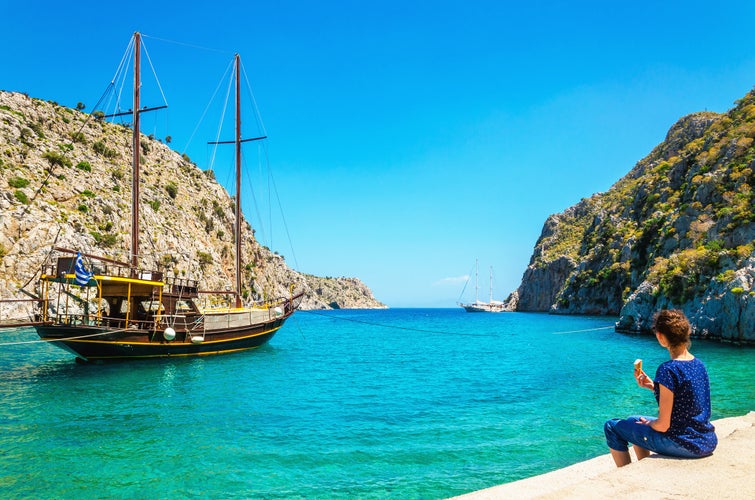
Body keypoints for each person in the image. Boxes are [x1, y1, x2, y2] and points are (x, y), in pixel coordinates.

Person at [604, 309, 717, 467]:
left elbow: (663, 425)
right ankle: (643, 466)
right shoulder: (699, 364)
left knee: (611, 426)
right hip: (706, 440)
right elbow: (684, 399)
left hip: (684, 444)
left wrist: (650, 424)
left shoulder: (667, 369)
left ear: (661, 337)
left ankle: (626, 473)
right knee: (633, 420)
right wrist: (653, 386)